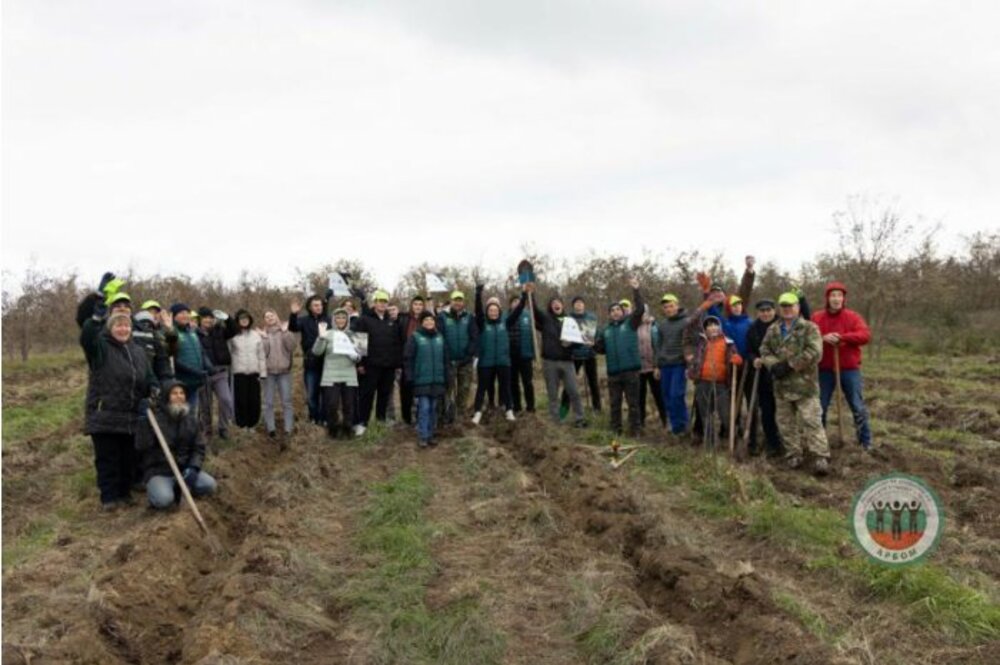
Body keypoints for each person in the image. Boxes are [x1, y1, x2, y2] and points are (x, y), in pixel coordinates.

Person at [79, 293, 156, 510]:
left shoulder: (137, 351)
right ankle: (109, 497)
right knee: (108, 459)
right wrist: (95, 319)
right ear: (111, 328)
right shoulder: (100, 348)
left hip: (129, 413)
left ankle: (124, 494)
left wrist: (154, 388)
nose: (123, 330)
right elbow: (86, 337)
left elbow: (147, 376)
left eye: (126, 327)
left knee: (127, 457)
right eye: (118, 326)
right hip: (105, 413)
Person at [757, 292, 831, 476]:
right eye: (784, 306)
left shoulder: (809, 328)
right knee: (785, 423)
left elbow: (815, 352)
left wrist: (790, 365)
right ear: (780, 309)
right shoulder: (773, 329)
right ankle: (793, 454)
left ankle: (820, 456)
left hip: (805, 386)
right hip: (781, 387)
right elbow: (764, 350)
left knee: (811, 421)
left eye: (791, 306)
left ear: (798, 307)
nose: (787, 309)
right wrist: (773, 365)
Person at [811, 281, 873, 451]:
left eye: (839, 295)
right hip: (824, 369)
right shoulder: (817, 317)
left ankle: (865, 443)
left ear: (844, 298)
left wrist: (843, 338)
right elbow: (809, 336)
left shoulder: (853, 317)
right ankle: (820, 443)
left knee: (857, 406)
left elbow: (865, 335)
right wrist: (823, 338)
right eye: (833, 295)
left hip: (849, 369)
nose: (836, 299)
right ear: (827, 298)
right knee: (820, 407)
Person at [140, 381, 217, 509]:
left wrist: (193, 467)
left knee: (209, 485)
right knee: (164, 500)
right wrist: (143, 422)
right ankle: (157, 492)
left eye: (181, 393)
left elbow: (198, 448)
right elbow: (142, 445)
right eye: (174, 393)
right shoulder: (155, 419)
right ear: (166, 397)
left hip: (184, 471)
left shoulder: (191, 420)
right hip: (160, 472)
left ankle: (183, 488)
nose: (179, 396)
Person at [595, 277, 646, 436]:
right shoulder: (606, 330)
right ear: (609, 314)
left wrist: (636, 290)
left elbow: (640, 309)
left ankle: (635, 430)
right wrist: (592, 344)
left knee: (633, 404)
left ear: (622, 312)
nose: (616, 312)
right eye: (612, 310)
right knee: (615, 404)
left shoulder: (631, 323)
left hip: (631, 371)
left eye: (618, 309)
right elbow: (601, 349)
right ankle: (616, 430)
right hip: (613, 373)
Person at [531, 285, 587, 428]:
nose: (556, 304)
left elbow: (579, 343)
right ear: (551, 306)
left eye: (558, 302)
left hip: (567, 362)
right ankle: (556, 421)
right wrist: (530, 293)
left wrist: (571, 344)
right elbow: (534, 310)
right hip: (550, 362)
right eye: (553, 303)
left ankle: (579, 419)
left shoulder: (570, 321)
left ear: (562, 305)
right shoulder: (545, 319)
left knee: (573, 391)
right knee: (552, 394)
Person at [472, 283, 528, 423]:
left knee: (506, 388)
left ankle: (509, 411)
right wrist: (478, 294)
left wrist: (524, 296)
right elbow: (478, 310)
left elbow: (518, 310)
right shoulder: (482, 323)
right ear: (487, 311)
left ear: (499, 311)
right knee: (482, 388)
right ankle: (477, 413)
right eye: (490, 310)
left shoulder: (506, 323)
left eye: (495, 310)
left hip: (503, 362)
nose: (493, 312)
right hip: (486, 362)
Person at [686, 315, 743, 448]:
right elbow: (696, 360)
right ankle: (710, 443)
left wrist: (737, 360)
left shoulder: (728, 342)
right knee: (706, 415)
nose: (712, 328)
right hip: (703, 383)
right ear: (705, 329)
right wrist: (691, 371)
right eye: (709, 326)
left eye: (714, 325)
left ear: (719, 327)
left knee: (726, 415)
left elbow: (735, 357)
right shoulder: (701, 343)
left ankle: (733, 442)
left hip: (721, 384)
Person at [354, 289, 405, 433]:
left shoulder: (392, 321)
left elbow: (397, 343)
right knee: (367, 395)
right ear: (374, 303)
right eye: (379, 301)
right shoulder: (365, 319)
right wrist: (360, 363)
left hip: (388, 366)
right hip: (370, 365)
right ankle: (362, 423)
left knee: (384, 395)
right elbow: (359, 344)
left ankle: (380, 421)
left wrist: (397, 364)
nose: (382, 304)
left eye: (384, 302)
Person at [312, 308, 362, 439]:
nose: (340, 320)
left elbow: (359, 356)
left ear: (347, 320)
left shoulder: (353, 335)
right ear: (334, 320)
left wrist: (353, 355)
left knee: (349, 405)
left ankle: (347, 428)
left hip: (349, 374)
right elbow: (317, 352)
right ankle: (333, 428)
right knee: (331, 404)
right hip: (331, 374)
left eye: (343, 318)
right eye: (338, 318)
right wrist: (320, 338)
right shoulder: (328, 334)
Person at [744, 299, 784, 457]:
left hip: (782, 375)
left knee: (784, 411)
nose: (766, 313)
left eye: (768, 310)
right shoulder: (753, 329)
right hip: (762, 377)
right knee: (767, 411)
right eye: (762, 311)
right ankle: (772, 443)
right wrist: (754, 359)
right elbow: (749, 350)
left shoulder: (783, 325)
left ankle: (789, 443)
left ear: (774, 311)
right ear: (758, 313)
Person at [404, 311, 449, 448]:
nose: (429, 322)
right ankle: (423, 436)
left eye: (431, 320)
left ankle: (431, 435)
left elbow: (445, 359)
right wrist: (410, 376)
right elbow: (408, 358)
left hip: (437, 380)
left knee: (433, 408)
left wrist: (447, 376)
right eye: (426, 320)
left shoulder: (440, 338)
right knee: (424, 407)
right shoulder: (415, 337)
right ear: (422, 322)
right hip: (421, 380)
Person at [654, 293, 696, 437]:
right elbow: (659, 346)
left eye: (671, 306)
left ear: (677, 306)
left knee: (676, 395)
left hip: (679, 364)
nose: (669, 309)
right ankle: (674, 425)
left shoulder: (687, 322)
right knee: (666, 396)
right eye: (666, 307)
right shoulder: (662, 325)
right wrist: (657, 366)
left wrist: (690, 364)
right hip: (665, 365)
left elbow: (691, 343)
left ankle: (682, 426)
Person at [288, 294, 331, 425]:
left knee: (326, 394)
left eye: (320, 305)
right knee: (312, 394)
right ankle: (314, 418)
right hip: (311, 362)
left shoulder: (328, 320)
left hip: (327, 362)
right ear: (310, 307)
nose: (319, 307)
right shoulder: (304, 320)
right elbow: (293, 327)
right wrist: (293, 314)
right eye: (315, 305)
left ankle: (324, 419)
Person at [437, 290, 479, 424]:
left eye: (460, 300)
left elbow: (474, 337)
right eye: (455, 300)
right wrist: (447, 357)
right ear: (451, 301)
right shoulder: (442, 317)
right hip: (448, 361)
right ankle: (446, 416)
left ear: (463, 302)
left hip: (465, 362)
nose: (457, 302)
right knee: (447, 390)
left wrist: (468, 355)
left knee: (464, 389)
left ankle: (460, 417)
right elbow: (440, 337)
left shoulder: (469, 317)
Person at [196, 307, 237, 439]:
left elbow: (235, 330)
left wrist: (228, 318)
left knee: (226, 400)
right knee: (206, 405)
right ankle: (207, 430)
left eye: (210, 317)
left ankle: (223, 428)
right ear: (199, 319)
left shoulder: (219, 330)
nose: (208, 320)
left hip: (220, 372)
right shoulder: (194, 333)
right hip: (204, 374)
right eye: (205, 317)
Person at [167, 303, 211, 417]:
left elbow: (201, 352)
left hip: (195, 382)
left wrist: (209, 367)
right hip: (180, 383)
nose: (185, 315)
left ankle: (192, 434)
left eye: (187, 313)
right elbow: (173, 359)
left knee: (192, 414)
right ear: (173, 316)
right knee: (180, 415)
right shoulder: (171, 332)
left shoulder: (192, 332)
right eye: (181, 313)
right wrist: (193, 371)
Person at [560, 297, 601, 416]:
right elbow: (565, 338)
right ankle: (564, 409)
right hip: (574, 356)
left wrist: (594, 342)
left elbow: (596, 334)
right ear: (573, 306)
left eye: (581, 303)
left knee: (593, 383)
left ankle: (597, 408)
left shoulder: (591, 317)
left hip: (589, 355)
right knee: (569, 383)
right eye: (576, 303)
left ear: (584, 305)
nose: (579, 305)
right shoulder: (568, 319)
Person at [260, 309, 297, 439]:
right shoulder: (262, 334)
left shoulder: (285, 331)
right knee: (268, 402)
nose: (269, 318)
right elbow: (261, 353)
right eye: (267, 316)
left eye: (272, 315)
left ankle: (288, 428)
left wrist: (285, 332)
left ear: (277, 317)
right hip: (268, 373)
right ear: (264, 320)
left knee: (286, 401)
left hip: (284, 372)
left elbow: (292, 346)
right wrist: (264, 339)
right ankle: (271, 429)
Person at [228, 309, 266, 429]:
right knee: (241, 400)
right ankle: (241, 424)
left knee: (254, 400)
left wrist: (263, 372)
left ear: (250, 320)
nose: (244, 321)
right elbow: (228, 353)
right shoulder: (232, 336)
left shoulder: (256, 335)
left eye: (246, 319)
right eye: (241, 319)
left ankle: (253, 424)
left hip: (254, 373)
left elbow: (261, 355)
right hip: (239, 372)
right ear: (237, 321)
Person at [397, 296, 427, 425]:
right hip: (406, 360)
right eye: (415, 304)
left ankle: (421, 417)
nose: (418, 306)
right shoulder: (403, 318)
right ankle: (406, 418)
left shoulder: (427, 319)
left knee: (421, 390)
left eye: (420, 304)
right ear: (411, 305)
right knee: (406, 390)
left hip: (422, 360)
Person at [637, 305, 667, 428]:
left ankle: (665, 420)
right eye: (640, 313)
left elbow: (658, 347)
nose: (643, 315)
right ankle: (641, 422)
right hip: (639, 368)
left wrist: (657, 366)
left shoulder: (654, 327)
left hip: (653, 367)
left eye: (645, 313)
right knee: (640, 397)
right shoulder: (634, 327)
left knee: (659, 395)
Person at [507, 291, 536, 414]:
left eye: (518, 301)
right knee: (514, 383)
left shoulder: (528, 316)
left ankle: (530, 407)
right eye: (514, 302)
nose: (516, 303)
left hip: (525, 355)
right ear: (510, 304)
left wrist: (534, 354)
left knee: (527, 382)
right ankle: (517, 406)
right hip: (511, 356)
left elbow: (533, 336)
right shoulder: (506, 316)